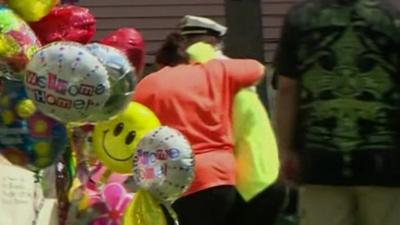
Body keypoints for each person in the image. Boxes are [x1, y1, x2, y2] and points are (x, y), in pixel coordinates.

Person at [274, 0, 400, 225]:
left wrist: (284, 149)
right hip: (386, 160)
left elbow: (286, 89)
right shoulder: (392, 16)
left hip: (319, 161)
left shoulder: (301, 17)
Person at [134, 32, 265, 225]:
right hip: (224, 177)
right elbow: (258, 69)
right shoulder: (213, 71)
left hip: (178, 181)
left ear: (160, 63)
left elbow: (133, 125)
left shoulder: (150, 84)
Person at [179, 15, 285, 225]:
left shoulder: (212, 75)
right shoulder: (232, 74)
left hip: (247, 182)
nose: (184, 50)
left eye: (189, 42)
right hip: (265, 174)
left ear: (208, 43)